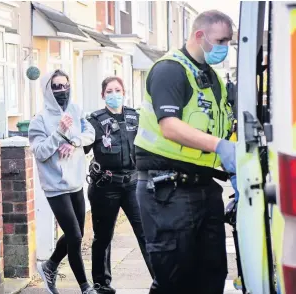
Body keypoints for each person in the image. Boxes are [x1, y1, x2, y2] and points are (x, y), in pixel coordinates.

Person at [133, 10, 237, 294]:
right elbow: (170, 126)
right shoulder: (170, 70)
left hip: (204, 188)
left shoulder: (212, 78)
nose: (225, 48)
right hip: (168, 191)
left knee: (212, 275)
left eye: (229, 42)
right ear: (199, 35)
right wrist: (220, 147)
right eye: (222, 40)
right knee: (174, 280)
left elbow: (225, 123)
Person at [28, 69, 98, 294]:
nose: (61, 91)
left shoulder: (76, 110)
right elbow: (39, 152)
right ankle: (85, 288)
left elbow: (91, 133)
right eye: (56, 86)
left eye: (64, 86)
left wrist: (75, 141)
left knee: (73, 234)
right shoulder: (38, 121)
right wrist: (59, 133)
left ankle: (49, 266)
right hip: (55, 187)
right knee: (76, 237)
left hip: (76, 182)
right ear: (48, 89)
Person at [83, 76, 154, 294]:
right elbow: (81, 145)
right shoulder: (94, 120)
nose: (115, 94)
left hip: (133, 184)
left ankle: (160, 280)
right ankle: (101, 284)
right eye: (110, 91)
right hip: (106, 185)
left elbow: (150, 143)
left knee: (146, 233)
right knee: (103, 237)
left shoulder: (136, 116)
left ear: (124, 92)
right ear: (103, 95)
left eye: (118, 90)